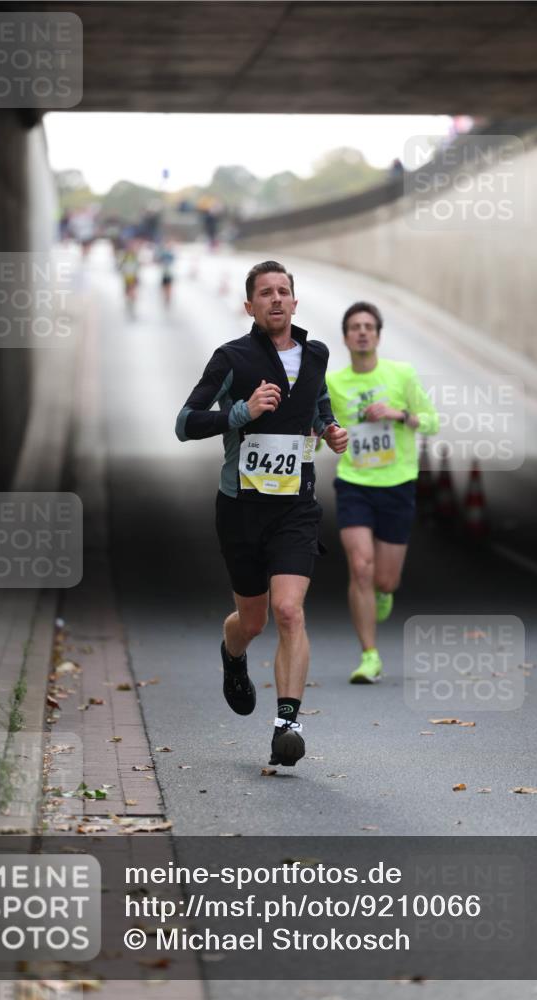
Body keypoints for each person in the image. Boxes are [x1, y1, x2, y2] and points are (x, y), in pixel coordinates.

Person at [175, 261, 348, 766]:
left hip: (296, 507)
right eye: (265, 294)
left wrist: (332, 429)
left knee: (289, 610)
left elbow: (320, 407)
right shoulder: (231, 358)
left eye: (284, 292)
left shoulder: (315, 354)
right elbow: (185, 423)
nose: (276, 300)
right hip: (241, 510)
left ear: (296, 302)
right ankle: (233, 657)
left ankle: (287, 723)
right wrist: (241, 413)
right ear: (249, 306)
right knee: (250, 621)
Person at [326, 302, 439, 684]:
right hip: (354, 484)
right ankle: (369, 655)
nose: (361, 332)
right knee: (360, 566)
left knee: (385, 581)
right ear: (345, 337)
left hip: (397, 485)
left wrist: (398, 414)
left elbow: (432, 421)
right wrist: (326, 434)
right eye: (355, 326)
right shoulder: (334, 383)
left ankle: (384, 594)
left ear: (377, 335)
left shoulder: (401, 375)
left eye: (368, 326)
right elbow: (322, 424)